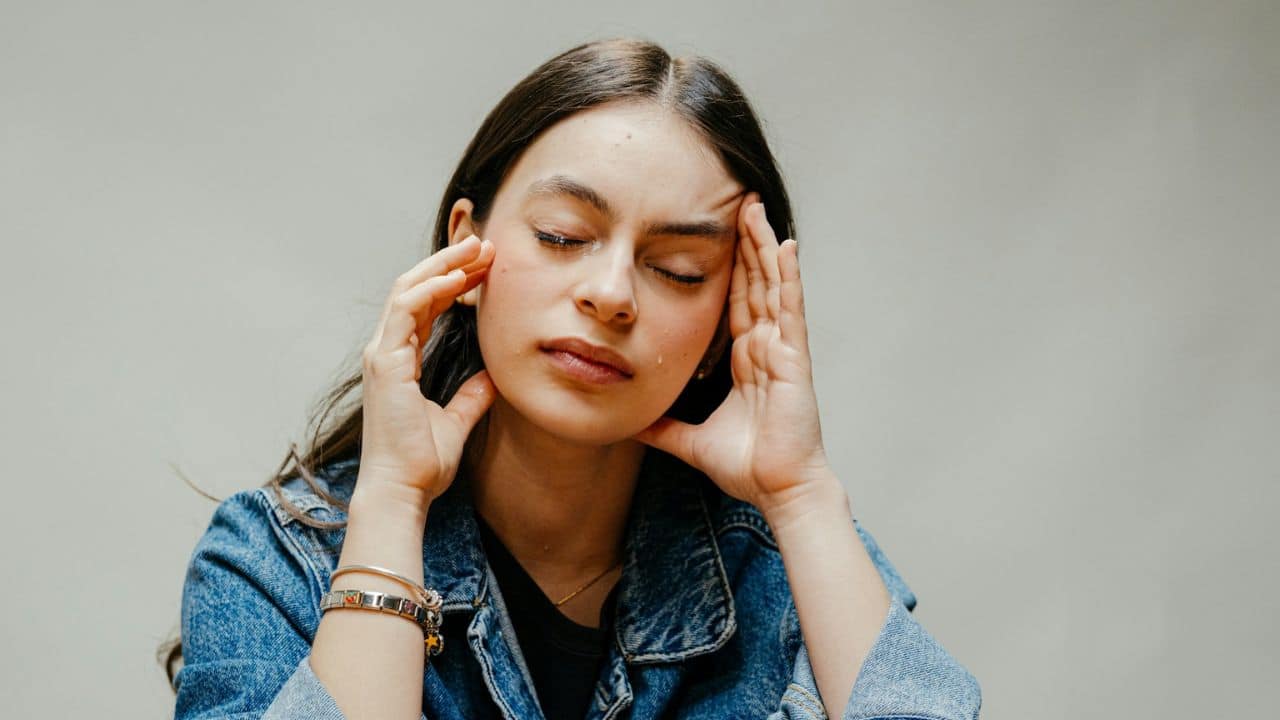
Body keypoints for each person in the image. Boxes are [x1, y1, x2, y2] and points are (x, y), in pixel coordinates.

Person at [168, 38, 982, 720]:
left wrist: (801, 496)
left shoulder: (786, 567)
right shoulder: (276, 561)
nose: (612, 295)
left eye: (677, 269)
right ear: (467, 253)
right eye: (563, 237)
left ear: (727, 317)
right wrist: (391, 502)